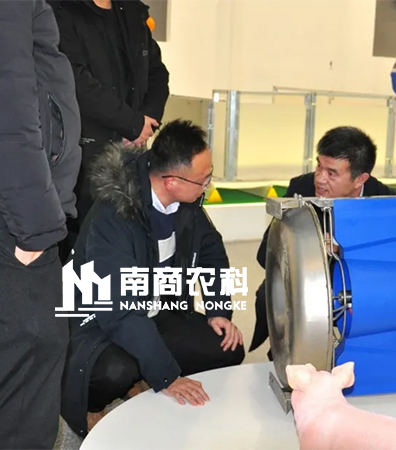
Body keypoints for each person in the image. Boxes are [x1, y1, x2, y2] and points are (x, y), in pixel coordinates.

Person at [60, 119, 245, 437]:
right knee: (117, 370)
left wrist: (217, 309)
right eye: (204, 180)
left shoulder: (188, 205)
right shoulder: (114, 215)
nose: (208, 186)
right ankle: (94, 404)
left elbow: (212, 256)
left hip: (156, 311)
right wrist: (167, 376)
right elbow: (119, 311)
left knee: (227, 347)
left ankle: (142, 376)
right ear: (172, 181)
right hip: (98, 322)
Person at [0, 1, 82, 448]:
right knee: (27, 382)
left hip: (17, 210)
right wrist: (37, 228)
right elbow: (10, 101)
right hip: (18, 217)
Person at [249, 126, 396, 358]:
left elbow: (392, 264)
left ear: (360, 179)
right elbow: (266, 254)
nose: (320, 178)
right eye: (319, 166)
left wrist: (345, 250)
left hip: (359, 286)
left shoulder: (385, 203)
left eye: (332, 173)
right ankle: (287, 352)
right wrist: (309, 247)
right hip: (305, 281)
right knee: (271, 296)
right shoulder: (301, 189)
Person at [49, 0, 170, 262]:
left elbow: (158, 74)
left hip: (133, 152)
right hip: (82, 156)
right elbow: (75, 81)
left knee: (126, 245)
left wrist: (145, 122)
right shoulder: (60, 11)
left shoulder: (132, 12)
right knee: (81, 248)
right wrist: (132, 123)